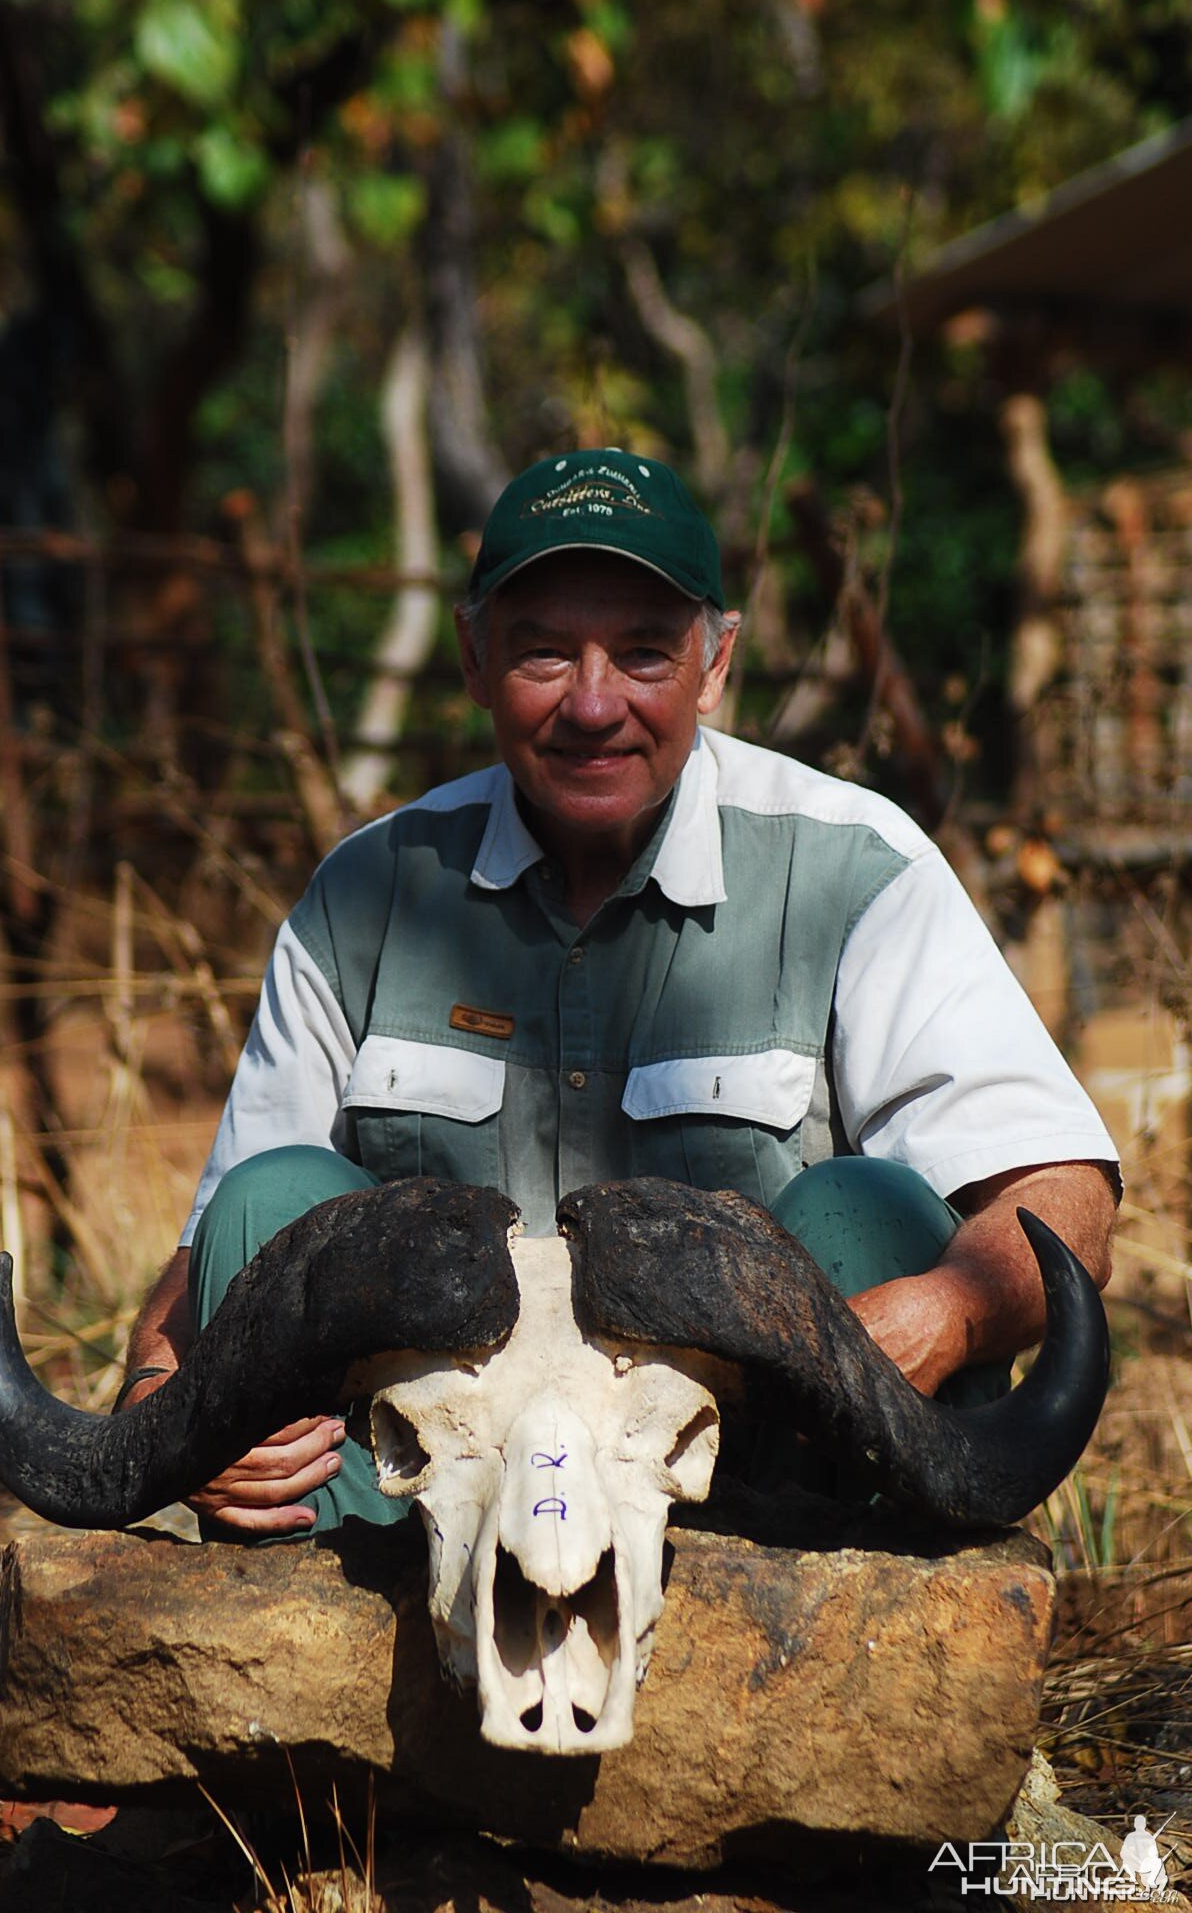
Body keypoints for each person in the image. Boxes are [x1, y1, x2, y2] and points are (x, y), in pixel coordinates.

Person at [117, 448, 1119, 1540]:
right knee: (272, 1198)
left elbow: (1060, 1194)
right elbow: (217, 1236)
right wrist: (160, 1396)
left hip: (746, 1507)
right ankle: (318, 1656)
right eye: (544, 653)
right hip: (431, 1517)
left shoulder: (853, 868)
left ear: (716, 660)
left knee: (865, 1211)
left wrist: (952, 1309)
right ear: (472, 655)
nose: (595, 705)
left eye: (644, 653)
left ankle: (859, 1633)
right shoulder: (367, 891)